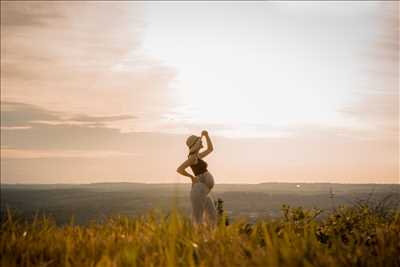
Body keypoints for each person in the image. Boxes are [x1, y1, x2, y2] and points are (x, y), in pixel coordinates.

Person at [176, 130, 218, 228]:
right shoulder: (193, 158)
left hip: (203, 191)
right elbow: (179, 169)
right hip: (199, 190)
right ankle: (199, 237)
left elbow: (210, 149)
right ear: (195, 144)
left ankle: (208, 237)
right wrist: (191, 177)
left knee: (212, 216)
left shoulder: (197, 156)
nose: (201, 142)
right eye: (200, 141)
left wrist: (207, 135)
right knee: (200, 218)